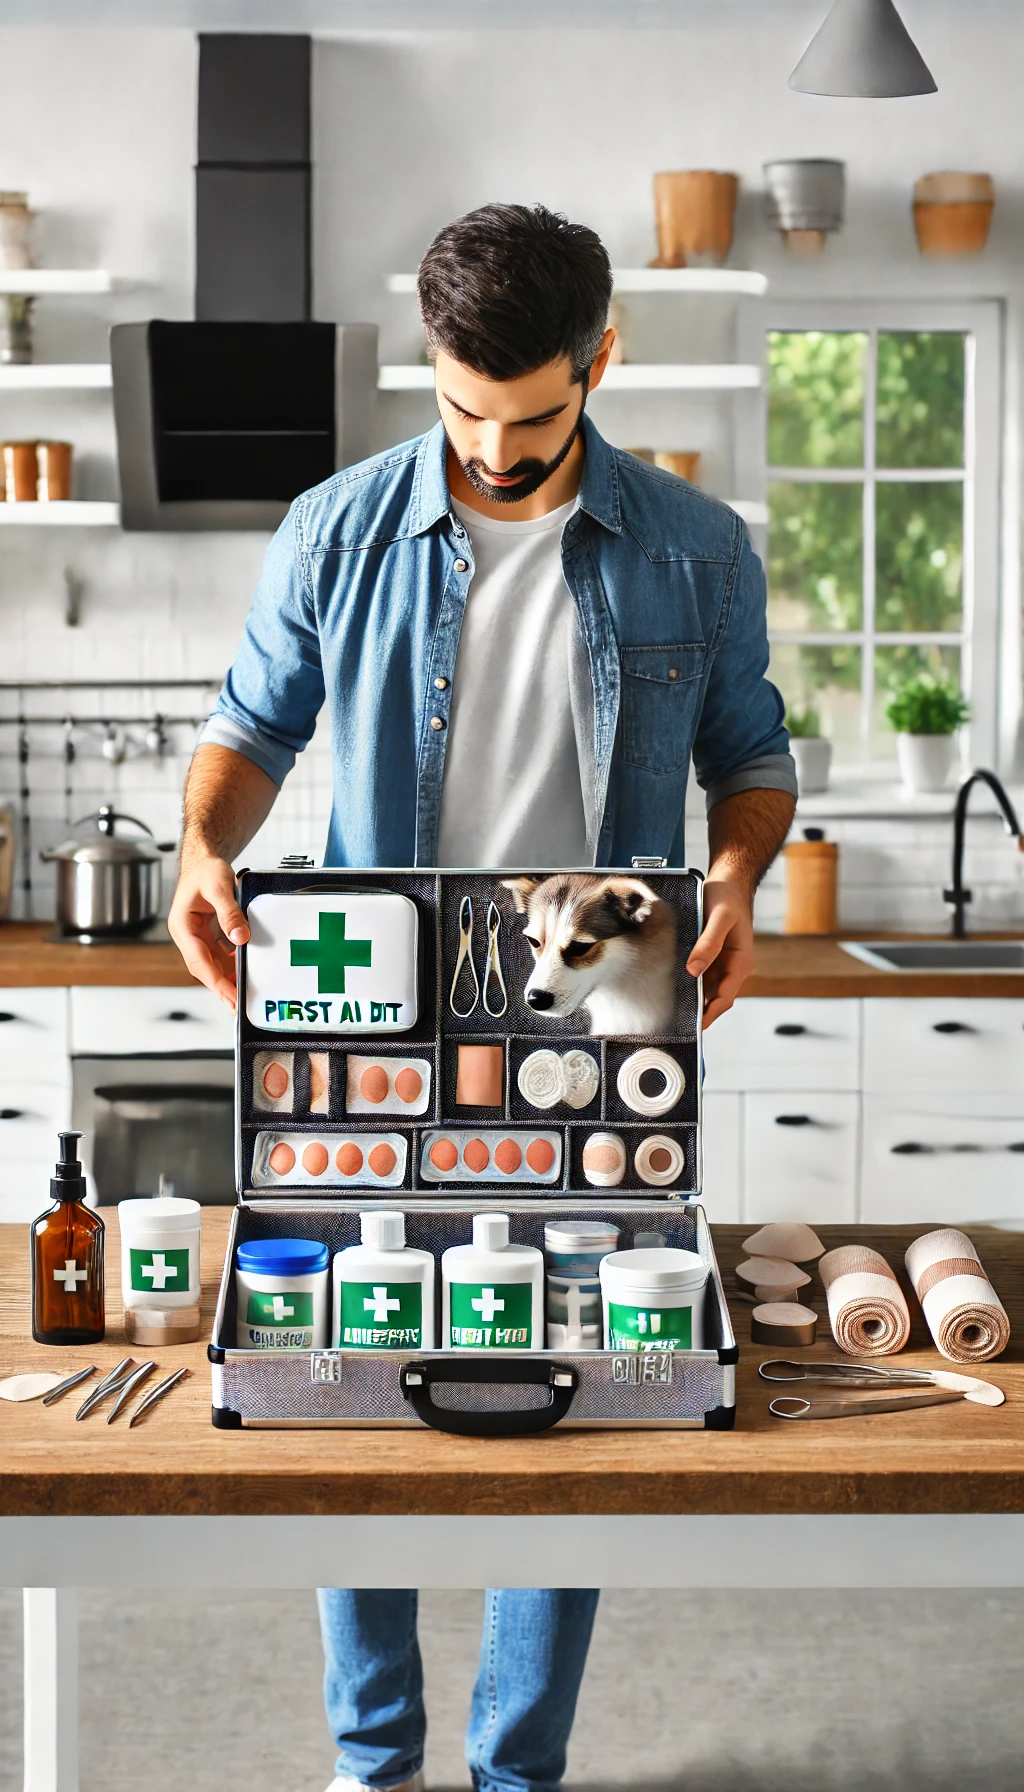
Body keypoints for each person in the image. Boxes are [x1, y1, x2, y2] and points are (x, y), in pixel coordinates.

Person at [169, 203, 796, 1792]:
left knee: (575, 1368)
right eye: (462, 409)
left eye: (534, 414)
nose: (496, 450)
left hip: (598, 999)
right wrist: (196, 843)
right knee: (339, 1369)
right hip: (374, 1007)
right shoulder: (335, 528)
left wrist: (733, 881)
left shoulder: (695, 549)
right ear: (427, 364)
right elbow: (251, 733)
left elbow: (755, 762)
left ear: (602, 359)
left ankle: (520, 1774)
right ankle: (370, 1765)